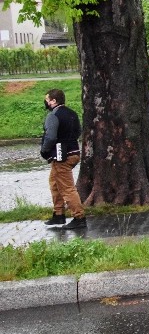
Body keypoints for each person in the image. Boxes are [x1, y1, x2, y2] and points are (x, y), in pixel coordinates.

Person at [41, 89, 87, 230]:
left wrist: (44, 150)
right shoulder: (72, 113)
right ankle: (58, 214)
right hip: (74, 153)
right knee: (54, 183)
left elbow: (51, 137)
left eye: (47, 99)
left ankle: (79, 218)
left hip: (62, 157)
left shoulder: (53, 115)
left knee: (67, 188)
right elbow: (78, 131)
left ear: (54, 101)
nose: (46, 102)